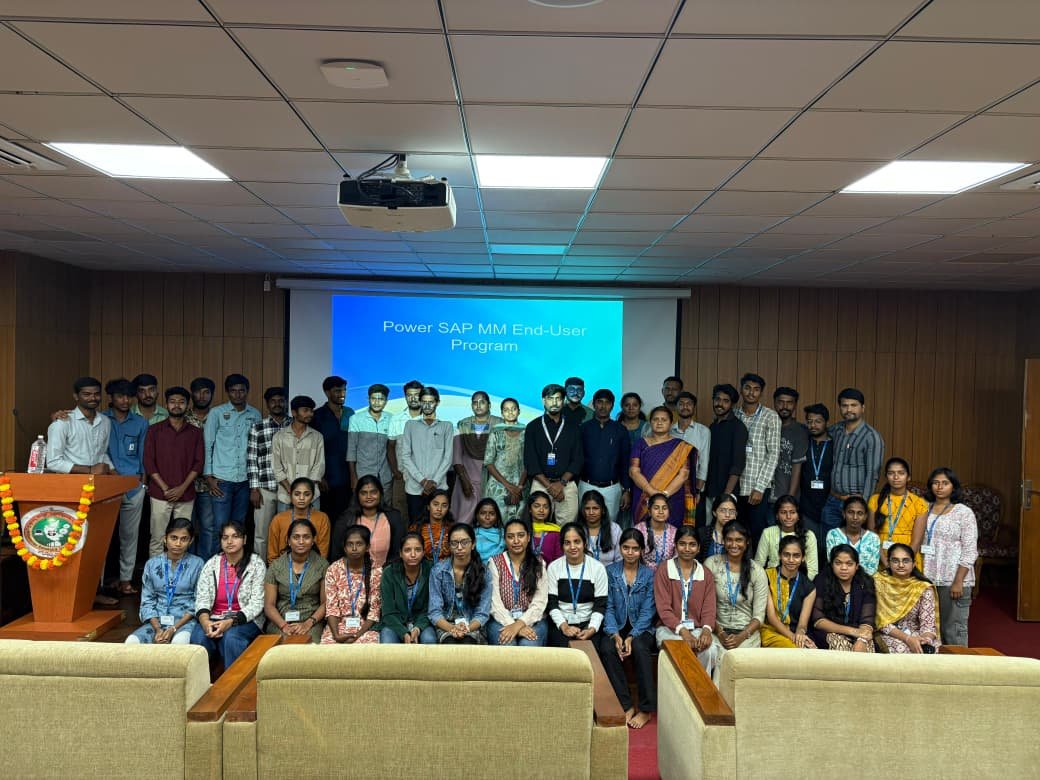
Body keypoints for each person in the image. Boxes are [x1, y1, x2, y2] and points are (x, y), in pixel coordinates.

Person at [46, 377, 116, 606]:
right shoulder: (61, 423)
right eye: (86, 394)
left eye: (96, 394)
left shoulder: (105, 422)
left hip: (98, 491)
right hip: (70, 493)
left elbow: (101, 455)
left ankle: (93, 592)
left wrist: (114, 475)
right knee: (73, 543)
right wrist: (89, 470)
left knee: (95, 543)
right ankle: (67, 597)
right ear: (76, 396)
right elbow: (53, 462)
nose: (92, 398)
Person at [191, 520, 266, 668]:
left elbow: (257, 603)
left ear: (244, 539)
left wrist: (231, 622)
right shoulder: (212, 564)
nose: (229, 541)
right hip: (214, 618)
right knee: (199, 637)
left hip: (245, 620)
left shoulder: (256, 564)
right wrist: (205, 622)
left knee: (232, 638)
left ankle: (233, 682)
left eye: (235, 536)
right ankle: (203, 682)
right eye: (225, 538)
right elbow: (202, 598)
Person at [602, 528, 657, 728]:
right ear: (620, 548)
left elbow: (648, 610)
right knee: (606, 649)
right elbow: (607, 606)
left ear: (642, 550)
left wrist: (632, 636)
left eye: (635, 548)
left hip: (642, 628)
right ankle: (626, 705)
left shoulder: (649, 575)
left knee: (641, 648)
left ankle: (646, 709)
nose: (630, 552)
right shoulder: (610, 572)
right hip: (616, 626)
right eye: (626, 548)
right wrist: (615, 634)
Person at [654, 526, 721, 680]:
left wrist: (706, 631)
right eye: (682, 544)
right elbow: (664, 609)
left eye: (692, 545)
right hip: (669, 629)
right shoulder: (664, 570)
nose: (687, 549)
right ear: (675, 545)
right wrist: (683, 632)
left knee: (709, 650)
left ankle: (701, 688)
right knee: (681, 649)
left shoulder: (705, 574)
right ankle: (680, 692)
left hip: (697, 629)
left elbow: (709, 609)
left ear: (699, 548)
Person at [144, 386, 204, 558]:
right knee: (157, 537)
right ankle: (155, 573)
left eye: (181, 402)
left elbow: (199, 463)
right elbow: (149, 462)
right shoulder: (154, 430)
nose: (177, 405)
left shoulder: (195, 432)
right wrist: (165, 488)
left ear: (187, 405)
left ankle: (179, 572)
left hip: (186, 494)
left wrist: (181, 488)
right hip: (159, 493)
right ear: (166, 404)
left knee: (183, 538)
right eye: (172, 402)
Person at [101, 378, 148, 595]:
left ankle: (126, 580)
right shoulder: (101, 420)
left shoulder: (140, 423)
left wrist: (142, 482)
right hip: (106, 487)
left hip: (133, 486)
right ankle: (100, 583)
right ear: (111, 398)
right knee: (103, 536)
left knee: (130, 536)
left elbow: (143, 455)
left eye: (129, 396)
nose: (125, 400)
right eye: (120, 396)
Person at [921, 467, 978, 647]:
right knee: (929, 629)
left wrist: (958, 581)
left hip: (953, 578)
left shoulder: (963, 512)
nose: (939, 487)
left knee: (953, 629)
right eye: (936, 483)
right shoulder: (923, 508)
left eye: (945, 483)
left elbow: (970, 550)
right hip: (926, 578)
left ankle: (959, 664)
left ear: (953, 486)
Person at [125, 517, 204, 645]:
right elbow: (147, 601)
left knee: (179, 643)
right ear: (165, 538)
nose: (178, 543)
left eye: (184, 539)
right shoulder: (152, 564)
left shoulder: (197, 564)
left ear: (191, 541)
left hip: (184, 622)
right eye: (174, 538)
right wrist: (158, 629)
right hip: (156, 623)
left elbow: (198, 601)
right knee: (131, 642)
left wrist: (173, 629)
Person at [820, 388, 885, 544]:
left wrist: (862, 505)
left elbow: (873, 473)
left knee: (852, 547)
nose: (849, 409)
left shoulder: (872, 437)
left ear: (863, 408)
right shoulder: (835, 431)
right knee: (828, 545)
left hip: (855, 505)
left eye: (853, 405)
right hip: (833, 499)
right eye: (844, 405)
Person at [203, 374, 262, 538]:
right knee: (220, 526)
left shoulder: (255, 414)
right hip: (222, 480)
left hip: (245, 480)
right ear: (227, 392)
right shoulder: (216, 413)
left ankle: (236, 555)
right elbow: (208, 444)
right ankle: (219, 555)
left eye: (241, 390)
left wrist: (254, 484)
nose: (238, 394)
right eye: (233, 391)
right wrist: (208, 477)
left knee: (239, 525)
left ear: (247, 391)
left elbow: (257, 449)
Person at [524, 383, 584, 525]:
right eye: (550, 399)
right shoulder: (533, 427)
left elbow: (578, 459)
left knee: (567, 528)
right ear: (543, 401)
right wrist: (550, 486)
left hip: (566, 484)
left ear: (564, 401)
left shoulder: (573, 428)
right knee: (538, 526)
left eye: (558, 399)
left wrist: (561, 483)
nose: (555, 403)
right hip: (540, 483)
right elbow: (530, 461)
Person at [705, 519, 767, 653]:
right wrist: (720, 633)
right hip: (717, 632)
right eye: (729, 540)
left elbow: (759, 616)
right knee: (715, 656)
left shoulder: (757, 571)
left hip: (747, 635)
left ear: (747, 542)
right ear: (723, 540)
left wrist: (741, 637)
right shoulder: (711, 564)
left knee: (740, 661)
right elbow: (705, 607)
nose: (734, 545)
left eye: (739, 540)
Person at [733, 373, 781, 548]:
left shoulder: (770, 416)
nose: (751, 393)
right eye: (747, 388)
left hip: (756, 486)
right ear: (741, 390)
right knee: (735, 531)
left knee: (756, 531)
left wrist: (760, 487)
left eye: (756, 389)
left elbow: (773, 454)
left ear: (761, 393)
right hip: (735, 484)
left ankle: (756, 564)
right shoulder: (734, 414)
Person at [263, 518, 328, 643]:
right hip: (281, 622)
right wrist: (284, 625)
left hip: (311, 622)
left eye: (306, 537)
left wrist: (308, 623)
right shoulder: (276, 566)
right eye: (296, 537)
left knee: (309, 646)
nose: (301, 541)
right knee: (281, 647)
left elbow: (325, 603)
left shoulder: (322, 565)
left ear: (313, 540)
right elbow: (269, 605)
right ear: (288, 540)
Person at [487, 518, 549, 646]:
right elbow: (494, 602)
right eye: (510, 537)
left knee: (528, 645)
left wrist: (519, 624)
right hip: (501, 620)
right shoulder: (495, 562)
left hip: (533, 620)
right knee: (507, 645)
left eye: (521, 535)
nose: (516, 541)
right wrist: (512, 625)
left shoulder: (538, 563)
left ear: (528, 537)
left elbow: (540, 601)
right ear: (505, 540)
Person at [545, 522, 609, 648]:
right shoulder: (554, 567)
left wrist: (591, 629)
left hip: (589, 623)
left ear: (584, 543)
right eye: (567, 543)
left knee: (589, 653)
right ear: (562, 546)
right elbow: (552, 603)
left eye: (577, 541)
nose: (572, 547)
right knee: (563, 654)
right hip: (561, 623)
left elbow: (600, 605)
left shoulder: (598, 568)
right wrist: (564, 626)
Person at [428, 523, 493, 644]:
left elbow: (482, 613)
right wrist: (452, 628)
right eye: (454, 543)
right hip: (446, 625)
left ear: (473, 544)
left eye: (464, 542)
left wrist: (467, 629)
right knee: (449, 644)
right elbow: (434, 611)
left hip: (473, 625)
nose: (459, 547)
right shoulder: (438, 571)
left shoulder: (484, 572)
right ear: (449, 546)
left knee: (468, 643)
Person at [629, 406, 694, 528]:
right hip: (645, 497)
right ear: (650, 422)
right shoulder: (640, 443)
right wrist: (651, 491)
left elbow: (683, 474)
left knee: (672, 532)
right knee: (644, 532)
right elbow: (633, 471)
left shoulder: (680, 446)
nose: (659, 422)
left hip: (672, 498)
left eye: (664, 420)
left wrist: (665, 495)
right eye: (655, 419)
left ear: (671, 423)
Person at [245, 387, 290, 560]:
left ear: (286, 402)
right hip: (265, 489)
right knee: (261, 534)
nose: (277, 404)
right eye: (273, 401)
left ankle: (282, 569)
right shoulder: (258, 427)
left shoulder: (294, 425)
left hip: (289, 489)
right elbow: (252, 459)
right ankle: (261, 569)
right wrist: (254, 489)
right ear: (267, 404)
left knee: (286, 532)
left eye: (281, 401)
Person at [398, 386, 454, 524]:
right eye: (424, 402)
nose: (427, 405)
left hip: (439, 487)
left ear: (437, 403)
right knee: (415, 525)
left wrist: (434, 482)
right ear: (420, 402)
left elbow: (448, 458)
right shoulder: (410, 425)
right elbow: (405, 456)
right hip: (415, 488)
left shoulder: (446, 426)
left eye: (431, 402)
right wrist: (423, 481)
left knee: (439, 526)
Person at [875, 542, 940, 654]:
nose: (901, 565)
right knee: (902, 648)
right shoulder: (878, 583)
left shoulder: (922, 587)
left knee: (932, 648)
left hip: (916, 634)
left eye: (906, 561)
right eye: (895, 561)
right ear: (888, 563)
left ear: (914, 563)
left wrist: (925, 640)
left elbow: (928, 625)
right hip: (888, 633)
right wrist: (907, 639)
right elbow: (881, 622)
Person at [579, 389, 632, 525]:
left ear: (612, 405)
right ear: (594, 404)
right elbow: (576, 459)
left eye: (607, 403)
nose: (603, 406)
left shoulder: (620, 430)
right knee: (586, 524)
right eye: (599, 402)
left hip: (612, 488)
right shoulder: (583, 429)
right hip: (586, 485)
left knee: (610, 525)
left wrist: (626, 490)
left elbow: (625, 462)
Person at [322, 524, 381, 644]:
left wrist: (356, 636)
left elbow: (374, 612)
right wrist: (337, 635)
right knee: (327, 649)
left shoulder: (376, 571)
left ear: (367, 547)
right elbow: (331, 608)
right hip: (338, 626)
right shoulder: (334, 569)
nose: (354, 548)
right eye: (350, 544)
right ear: (344, 547)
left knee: (367, 649)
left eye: (359, 544)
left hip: (366, 628)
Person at [810, 544, 876, 652]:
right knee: (842, 646)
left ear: (857, 566)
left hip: (859, 634)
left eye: (849, 564)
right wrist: (852, 631)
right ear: (832, 565)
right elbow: (818, 620)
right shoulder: (821, 581)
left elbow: (867, 620)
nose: (844, 568)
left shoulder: (865, 583)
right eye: (838, 563)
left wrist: (862, 639)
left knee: (866, 647)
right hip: (828, 632)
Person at [332, 475, 406, 569]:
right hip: (352, 573)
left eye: (373, 492)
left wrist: (384, 574)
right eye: (364, 493)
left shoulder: (394, 517)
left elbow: (398, 553)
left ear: (380, 494)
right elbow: (337, 554)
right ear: (357, 496)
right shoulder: (346, 520)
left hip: (386, 573)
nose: (369, 497)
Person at [310, 375, 355, 526]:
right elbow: (312, 449)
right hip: (327, 478)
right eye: (337, 391)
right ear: (327, 392)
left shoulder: (350, 413)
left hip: (348, 476)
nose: (342, 394)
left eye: (344, 390)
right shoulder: (317, 416)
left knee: (347, 519)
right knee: (327, 520)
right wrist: (319, 477)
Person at [451, 391, 502, 522]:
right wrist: (464, 481)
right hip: (466, 479)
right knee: (463, 521)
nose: (478, 406)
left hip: (492, 480)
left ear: (489, 405)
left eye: (482, 402)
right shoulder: (463, 424)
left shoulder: (499, 424)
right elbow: (456, 456)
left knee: (488, 521)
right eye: (475, 403)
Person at [868, 457, 927, 571]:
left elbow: (916, 541)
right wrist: (886, 563)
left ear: (908, 477)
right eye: (891, 473)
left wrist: (903, 563)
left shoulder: (919, 503)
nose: (896, 477)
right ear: (886, 477)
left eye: (901, 473)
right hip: (880, 556)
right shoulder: (875, 500)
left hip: (908, 556)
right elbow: (872, 536)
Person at [761, 535, 818, 649]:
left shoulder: (809, 587)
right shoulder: (766, 576)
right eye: (786, 555)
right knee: (797, 650)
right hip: (769, 631)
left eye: (796, 556)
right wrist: (794, 638)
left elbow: (802, 624)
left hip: (793, 632)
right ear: (779, 555)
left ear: (803, 558)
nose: (791, 560)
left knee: (811, 649)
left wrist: (800, 634)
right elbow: (772, 618)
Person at [271, 395, 325, 515]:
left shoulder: (317, 437)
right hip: (285, 496)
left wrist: (305, 492)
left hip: (312, 497)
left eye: (311, 411)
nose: (310, 414)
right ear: (294, 413)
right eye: (305, 410)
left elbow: (319, 467)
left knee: (312, 526)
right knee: (285, 526)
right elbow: (276, 467)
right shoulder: (279, 437)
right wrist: (291, 490)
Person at [379, 532, 436, 644]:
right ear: (400, 553)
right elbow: (388, 612)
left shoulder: (431, 570)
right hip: (395, 623)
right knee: (387, 642)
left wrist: (418, 628)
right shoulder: (389, 573)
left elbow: (430, 608)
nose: (413, 554)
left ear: (423, 552)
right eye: (407, 550)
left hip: (422, 622)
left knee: (429, 639)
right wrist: (403, 633)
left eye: (418, 550)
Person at [704, 384, 747, 526]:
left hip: (727, 492)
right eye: (717, 399)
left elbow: (738, 464)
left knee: (727, 530)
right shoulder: (712, 427)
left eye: (725, 401)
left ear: (732, 404)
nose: (720, 404)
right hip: (710, 490)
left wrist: (726, 496)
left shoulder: (738, 427)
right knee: (710, 529)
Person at [187, 377, 217, 559]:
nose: (202, 396)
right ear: (192, 394)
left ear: (212, 394)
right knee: (186, 526)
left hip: (209, 483)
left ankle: (206, 564)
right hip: (186, 482)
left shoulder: (217, 416)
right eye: (198, 392)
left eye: (206, 392)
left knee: (208, 526)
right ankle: (188, 564)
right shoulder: (183, 417)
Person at [266, 477, 331, 564]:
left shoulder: (322, 518)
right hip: (282, 568)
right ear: (290, 495)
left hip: (314, 567)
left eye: (307, 494)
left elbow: (322, 554)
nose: (301, 498)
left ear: (312, 497)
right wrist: (279, 570)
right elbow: (272, 556)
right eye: (297, 494)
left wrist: (314, 569)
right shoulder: (278, 519)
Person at [754, 495, 819, 579]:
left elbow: (813, 570)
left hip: (799, 582)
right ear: (777, 515)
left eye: (792, 512)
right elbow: (758, 565)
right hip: (772, 580)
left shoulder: (809, 535)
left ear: (798, 515)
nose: (788, 516)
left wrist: (799, 584)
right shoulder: (768, 532)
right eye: (783, 512)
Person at [483, 397, 527, 522]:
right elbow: (488, 462)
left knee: (516, 522)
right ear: (502, 413)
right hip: (498, 486)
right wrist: (508, 486)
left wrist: (519, 487)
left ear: (519, 411)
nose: (510, 412)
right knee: (495, 521)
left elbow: (529, 462)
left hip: (520, 486)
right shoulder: (496, 431)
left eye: (513, 409)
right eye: (506, 410)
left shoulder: (526, 432)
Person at [669, 391, 711, 522]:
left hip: (693, 486)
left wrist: (697, 490)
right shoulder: (669, 431)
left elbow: (704, 463)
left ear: (694, 407)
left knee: (693, 525)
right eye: (681, 404)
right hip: (671, 486)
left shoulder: (703, 431)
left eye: (689, 404)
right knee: (673, 522)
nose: (685, 407)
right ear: (676, 407)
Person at [799, 403, 832, 563]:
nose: (813, 425)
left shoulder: (834, 445)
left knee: (828, 548)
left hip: (829, 504)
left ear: (826, 422)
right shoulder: (803, 442)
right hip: (807, 505)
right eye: (809, 421)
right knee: (809, 548)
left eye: (818, 421)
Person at [387, 379, 423, 518]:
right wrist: (396, 472)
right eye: (409, 395)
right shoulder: (396, 419)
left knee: (421, 513)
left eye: (416, 395)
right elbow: (391, 447)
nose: (413, 398)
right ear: (405, 396)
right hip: (402, 475)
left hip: (424, 476)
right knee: (400, 511)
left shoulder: (430, 418)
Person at [347, 383, 393, 492]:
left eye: (381, 399)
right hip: (363, 475)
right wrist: (353, 477)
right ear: (368, 399)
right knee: (365, 502)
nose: (377, 402)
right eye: (373, 398)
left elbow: (393, 448)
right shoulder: (356, 419)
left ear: (386, 401)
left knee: (385, 502)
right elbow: (351, 450)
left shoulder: (391, 419)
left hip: (385, 476)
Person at [825, 496, 881, 575]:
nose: (855, 517)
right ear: (844, 514)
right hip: (838, 580)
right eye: (850, 512)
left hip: (864, 581)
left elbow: (872, 570)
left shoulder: (873, 538)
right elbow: (833, 564)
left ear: (865, 517)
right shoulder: (833, 535)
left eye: (860, 513)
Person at [771, 387, 808, 503]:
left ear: (795, 405)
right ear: (774, 403)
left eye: (789, 403)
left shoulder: (800, 431)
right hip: (761, 494)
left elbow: (797, 467)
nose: (785, 406)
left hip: (785, 495)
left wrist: (790, 499)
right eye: (781, 402)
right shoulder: (766, 425)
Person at [634, 493, 677, 572]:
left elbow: (677, 559)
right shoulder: (639, 530)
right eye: (656, 508)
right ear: (649, 511)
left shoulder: (674, 532)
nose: (661, 511)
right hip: (642, 573)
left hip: (667, 574)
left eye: (664, 508)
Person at [579, 489, 623, 565]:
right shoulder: (576, 530)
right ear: (582, 510)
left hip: (609, 571)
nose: (591, 512)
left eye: (595, 508)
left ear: (603, 510)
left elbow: (620, 559)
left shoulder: (615, 529)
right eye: (587, 508)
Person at [697, 493, 739, 561]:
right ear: (714, 512)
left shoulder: (741, 535)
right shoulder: (702, 533)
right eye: (723, 511)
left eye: (731, 511)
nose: (727, 515)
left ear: (735, 515)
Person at [415, 489, 453, 561]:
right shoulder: (417, 528)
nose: (439, 509)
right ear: (428, 506)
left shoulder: (452, 529)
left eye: (444, 506)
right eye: (435, 504)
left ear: (448, 508)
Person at [525, 490, 563, 564]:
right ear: (529, 509)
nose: (541, 510)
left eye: (545, 507)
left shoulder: (556, 533)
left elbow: (559, 561)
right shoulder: (522, 531)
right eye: (537, 506)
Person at [473, 498, 505, 562]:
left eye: (492, 514)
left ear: (497, 516)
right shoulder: (471, 534)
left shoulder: (504, 534)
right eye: (483, 513)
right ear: (477, 515)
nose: (487, 517)